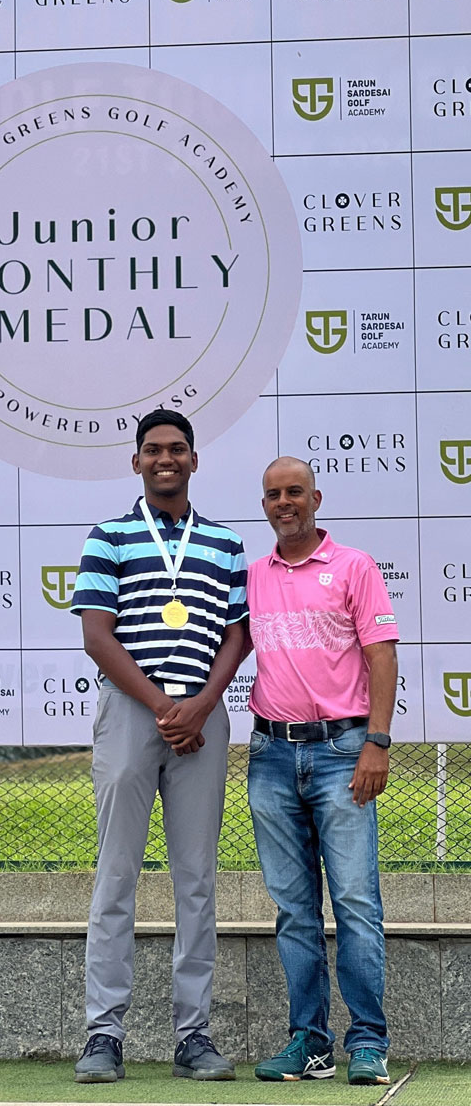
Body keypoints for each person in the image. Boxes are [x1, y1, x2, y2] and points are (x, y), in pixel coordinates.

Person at [69, 410, 247, 1083]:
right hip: (133, 716)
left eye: (177, 449)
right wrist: (161, 705)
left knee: (196, 882)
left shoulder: (225, 543)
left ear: (195, 461)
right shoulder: (108, 537)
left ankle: (193, 1035)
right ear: (136, 461)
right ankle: (103, 1035)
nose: (165, 459)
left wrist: (200, 703)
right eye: (153, 450)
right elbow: (97, 635)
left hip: (203, 718)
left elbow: (237, 633)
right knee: (117, 876)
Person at [246, 456, 397, 1087]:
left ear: (316, 498)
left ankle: (368, 1042)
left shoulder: (354, 566)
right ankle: (309, 1043)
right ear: (265, 504)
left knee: (357, 904)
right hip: (272, 757)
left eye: (295, 492)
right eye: (274, 495)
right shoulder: (252, 575)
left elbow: (381, 654)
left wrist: (378, 742)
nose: (285, 503)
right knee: (293, 911)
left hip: (343, 753)